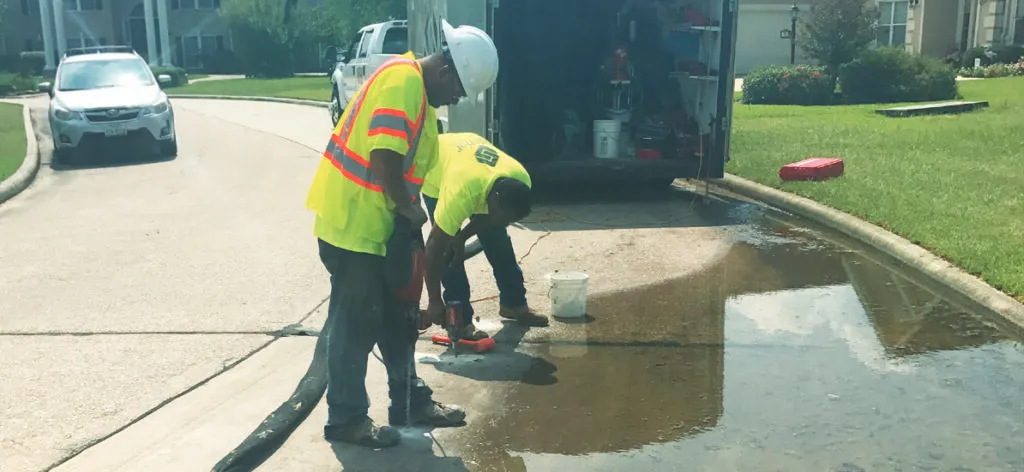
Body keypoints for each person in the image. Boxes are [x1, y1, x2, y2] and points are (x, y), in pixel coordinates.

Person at [304, 20, 500, 449]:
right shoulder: (403, 83)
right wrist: (410, 210)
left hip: (378, 228)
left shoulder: (418, 94)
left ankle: (409, 401)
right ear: (448, 72)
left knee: (399, 321)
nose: (456, 100)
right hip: (354, 227)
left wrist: (407, 220)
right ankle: (347, 419)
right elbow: (384, 160)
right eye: (459, 92)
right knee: (355, 326)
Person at [421, 132, 541, 340]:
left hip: (469, 160)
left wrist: (463, 237)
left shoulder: (520, 180)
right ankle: (459, 322)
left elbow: (492, 219)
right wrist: (433, 300)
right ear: (494, 200)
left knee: (498, 240)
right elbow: (433, 247)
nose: (506, 223)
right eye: (504, 217)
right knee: (449, 253)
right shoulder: (459, 194)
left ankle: (513, 304)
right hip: (436, 171)